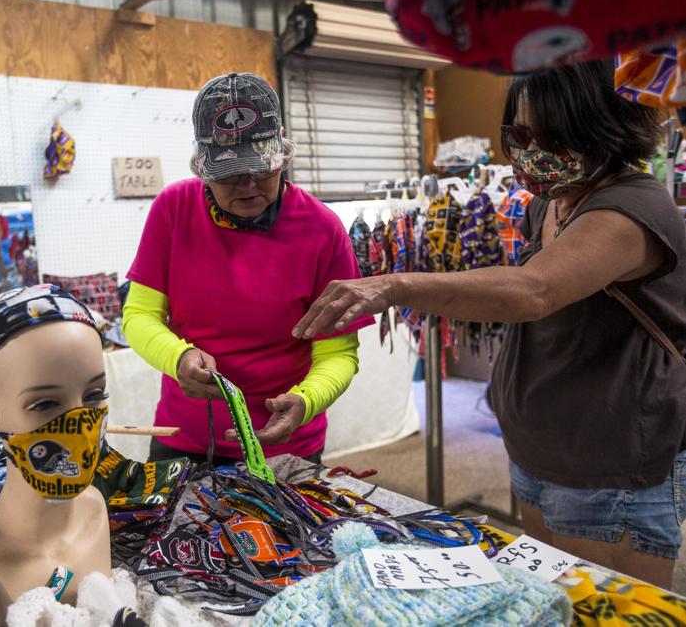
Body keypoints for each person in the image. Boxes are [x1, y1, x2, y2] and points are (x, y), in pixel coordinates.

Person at [294, 60, 686, 588]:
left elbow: (534, 291)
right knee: (544, 600)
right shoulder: (551, 203)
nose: (526, 148)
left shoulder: (632, 207)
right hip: (540, 451)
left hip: (609, 467)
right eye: (517, 132)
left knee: (598, 610)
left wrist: (395, 285)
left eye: (541, 132)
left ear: (596, 125)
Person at [123, 72, 372, 466]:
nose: (249, 185)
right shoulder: (173, 209)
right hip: (186, 438)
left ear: (282, 153)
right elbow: (138, 316)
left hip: (286, 441)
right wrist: (177, 358)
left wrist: (307, 401)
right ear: (202, 166)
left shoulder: (323, 229)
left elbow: (338, 352)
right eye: (231, 174)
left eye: (262, 169)